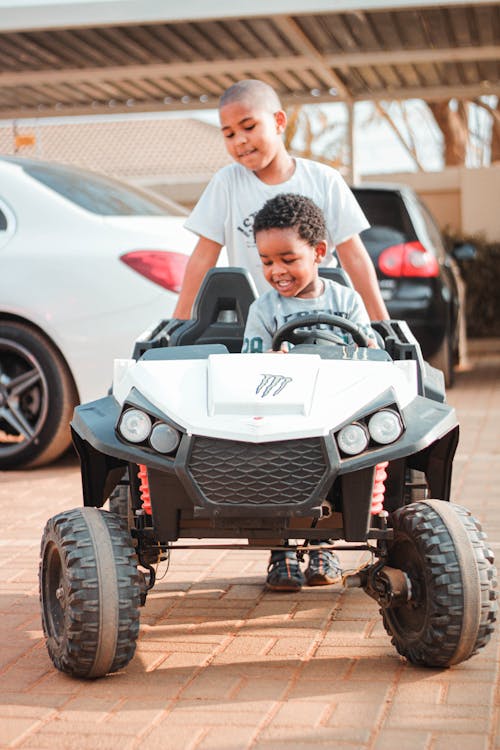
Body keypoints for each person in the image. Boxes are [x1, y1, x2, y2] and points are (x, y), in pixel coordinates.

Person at [243, 192, 378, 591]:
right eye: (267, 262)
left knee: (339, 467)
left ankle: (321, 546)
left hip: (335, 410)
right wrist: (272, 357)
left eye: (288, 259)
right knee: (276, 469)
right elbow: (249, 361)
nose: (276, 271)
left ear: (318, 252)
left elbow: (370, 351)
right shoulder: (263, 310)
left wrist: (361, 350)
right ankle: (281, 551)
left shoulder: (345, 301)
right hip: (281, 412)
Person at [173, 78, 389, 323]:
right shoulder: (227, 183)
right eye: (229, 134)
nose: (239, 140)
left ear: (279, 122)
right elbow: (203, 258)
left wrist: (382, 323)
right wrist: (178, 321)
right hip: (254, 321)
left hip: (320, 319)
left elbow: (355, 258)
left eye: (249, 126)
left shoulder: (324, 180)